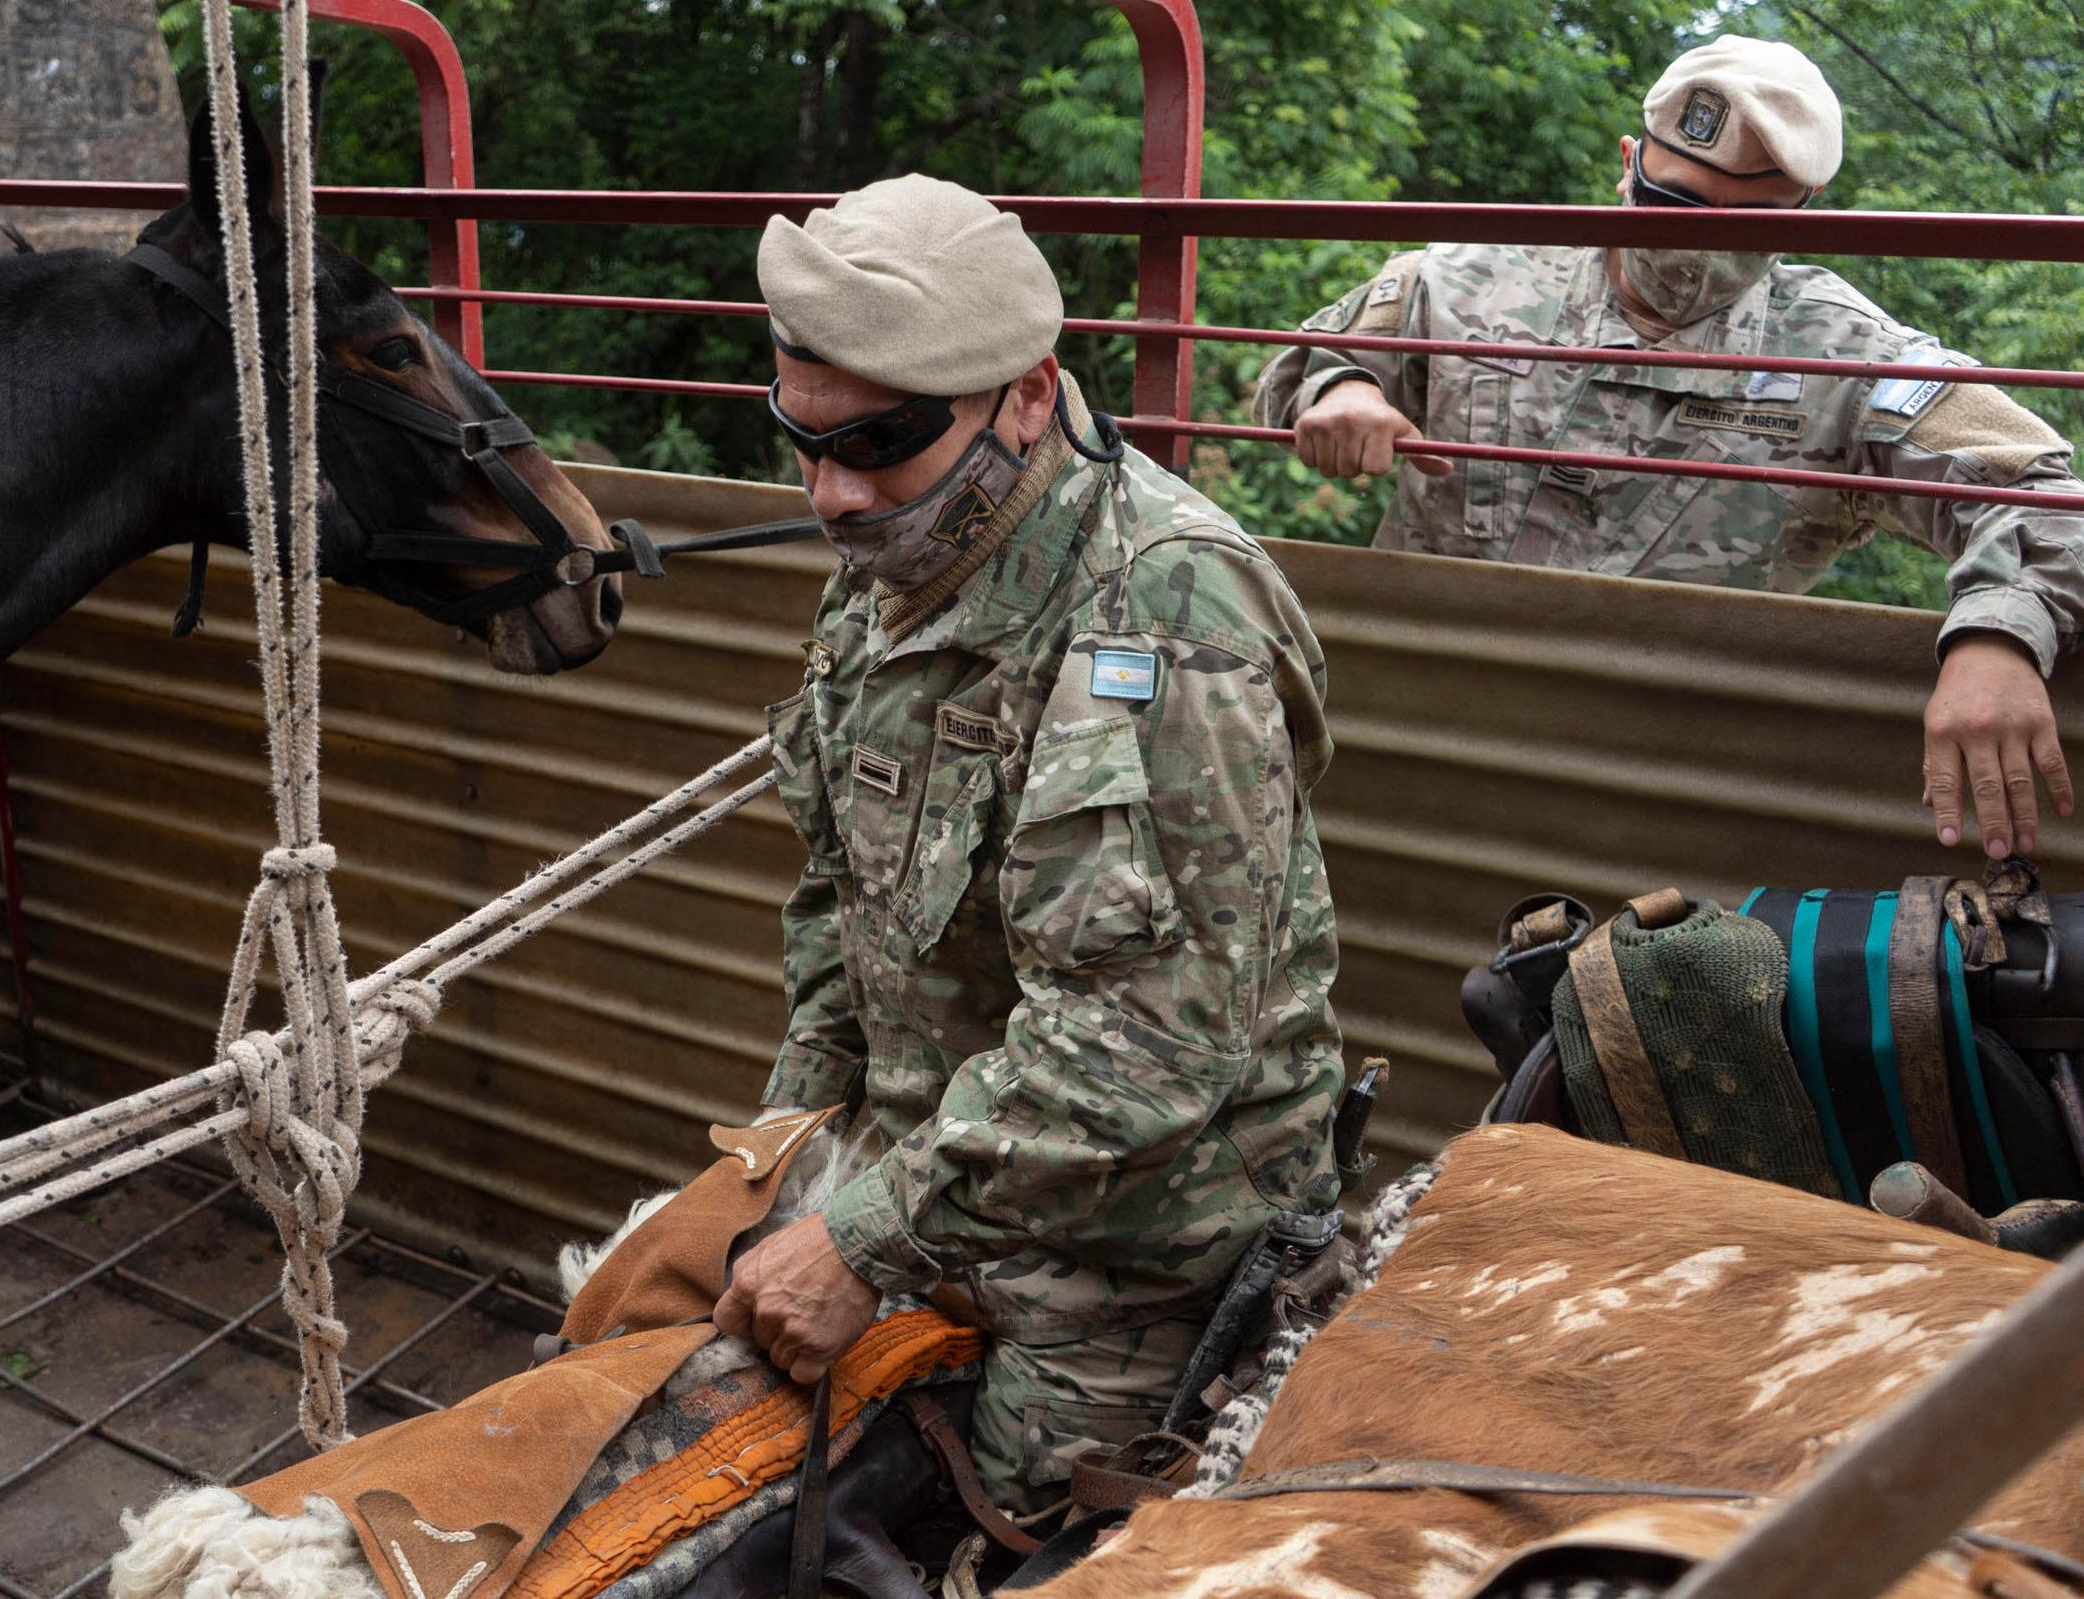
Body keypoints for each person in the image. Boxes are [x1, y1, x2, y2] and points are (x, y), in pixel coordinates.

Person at [710, 173, 1344, 1513]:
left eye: (874, 443)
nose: (828, 495)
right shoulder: (902, 549)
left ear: (1023, 394)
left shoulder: (1168, 613)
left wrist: (863, 1232)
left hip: (1134, 1245)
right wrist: (787, 1154)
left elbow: (1156, 1033)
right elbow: (845, 896)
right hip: (927, 1175)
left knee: (998, 1530)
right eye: (799, 438)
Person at [1257, 35, 2084, 863]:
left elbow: (2043, 493)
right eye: (1676, 203)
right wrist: (1342, 393)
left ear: (1807, 205)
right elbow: (1308, 361)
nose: (1700, 246)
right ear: (1628, 161)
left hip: (1655, 786)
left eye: (1749, 223)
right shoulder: (1468, 280)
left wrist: (1997, 637)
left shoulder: (1845, 358)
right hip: (1413, 739)